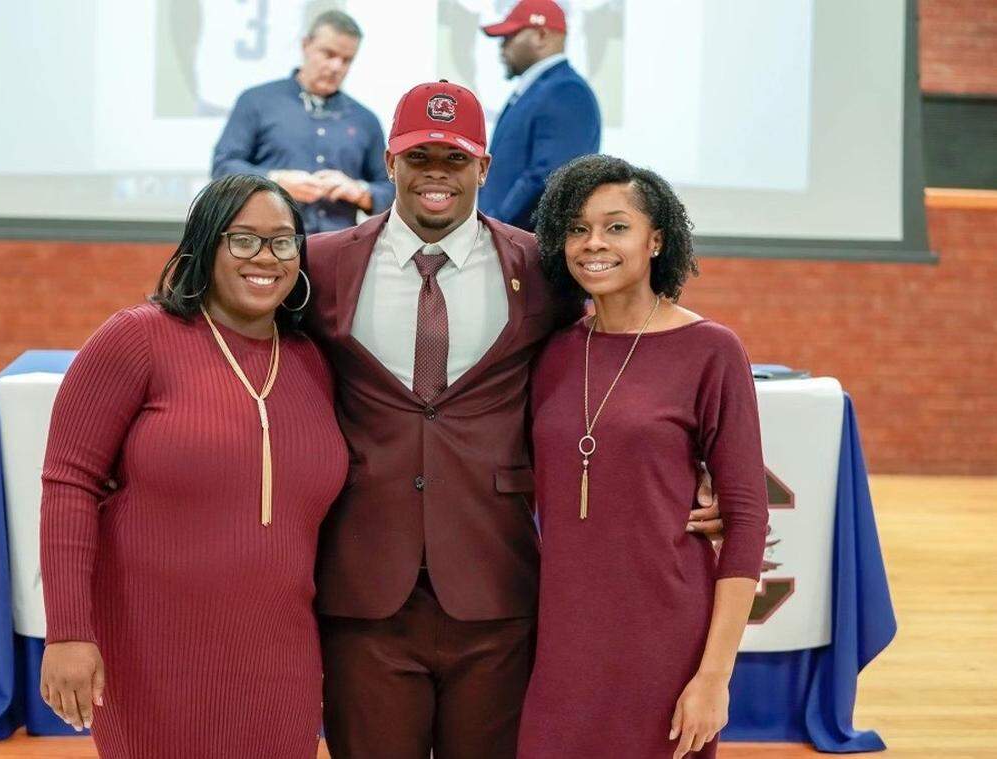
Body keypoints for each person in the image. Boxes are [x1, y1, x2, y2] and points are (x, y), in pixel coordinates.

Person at [303, 81, 722, 758]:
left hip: (497, 590)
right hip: (365, 591)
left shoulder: (545, 270)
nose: (436, 170)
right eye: (419, 156)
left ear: (485, 168)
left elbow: (622, 368)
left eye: (455, 157)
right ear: (389, 162)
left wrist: (699, 478)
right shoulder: (322, 266)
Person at [38, 174, 348, 758]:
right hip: (152, 649)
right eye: (244, 240)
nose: (266, 258)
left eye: (284, 242)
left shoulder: (314, 361)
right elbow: (68, 484)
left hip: (281, 655)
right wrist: (69, 632)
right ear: (204, 247)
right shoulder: (136, 339)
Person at [516, 154, 769, 758]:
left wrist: (714, 677)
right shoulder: (549, 351)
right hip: (558, 637)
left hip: (664, 632)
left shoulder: (710, 349)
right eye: (577, 228)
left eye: (616, 226)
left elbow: (746, 517)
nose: (593, 244)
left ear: (656, 240)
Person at [210, 11, 393, 233]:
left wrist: (361, 192)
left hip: (337, 251)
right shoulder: (256, 101)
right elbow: (222, 168)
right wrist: (274, 181)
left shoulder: (365, 119)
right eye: (329, 54)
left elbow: (392, 190)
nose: (337, 67)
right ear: (306, 45)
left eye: (346, 60)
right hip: (266, 245)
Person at [479, 0, 601, 231]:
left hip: (526, 247)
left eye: (510, 37)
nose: (502, 47)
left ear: (541, 35)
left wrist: (497, 227)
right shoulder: (538, 89)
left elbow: (550, 176)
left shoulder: (566, 92)